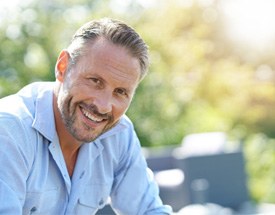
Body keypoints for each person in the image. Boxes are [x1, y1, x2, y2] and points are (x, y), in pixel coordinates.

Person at [0, 18, 172, 214]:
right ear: (63, 67)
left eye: (120, 92)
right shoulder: (9, 131)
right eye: (95, 81)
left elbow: (150, 210)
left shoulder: (119, 135)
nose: (103, 106)